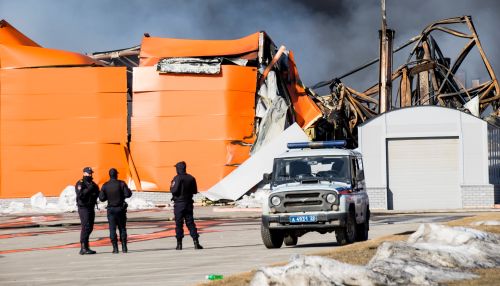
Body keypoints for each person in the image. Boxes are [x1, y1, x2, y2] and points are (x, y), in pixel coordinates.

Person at [170, 161, 203, 250]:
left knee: (179, 224)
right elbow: (195, 191)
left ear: (178, 169)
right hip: (188, 203)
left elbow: (174, 190)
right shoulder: (191, 178)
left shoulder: (177, 178)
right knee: (190, 223)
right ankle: (196, 242)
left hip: (179, 204)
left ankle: (179, 244)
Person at [99, 168, 132, 254]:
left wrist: (107, 196)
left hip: (111, 210)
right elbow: (128, 194)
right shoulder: (121, 183)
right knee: (122, 228)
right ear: (116, 174)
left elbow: (101, 198)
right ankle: (124, 247)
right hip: (120, 209)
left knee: (112, 229)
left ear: (109, 175)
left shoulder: (105, 185)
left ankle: (115, 248)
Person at [75, 167, 100, 255]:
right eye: (88, 173)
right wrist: (89, 189)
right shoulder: (80, 183)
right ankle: (83, 248)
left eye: (91, 173)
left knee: (90, 227)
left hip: (91, 207)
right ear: (84, 173)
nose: (90, 174)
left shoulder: (92, 183)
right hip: (83, 207)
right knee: (85, 226)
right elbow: (80, 195)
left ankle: (86, 246)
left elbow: (98, 193)